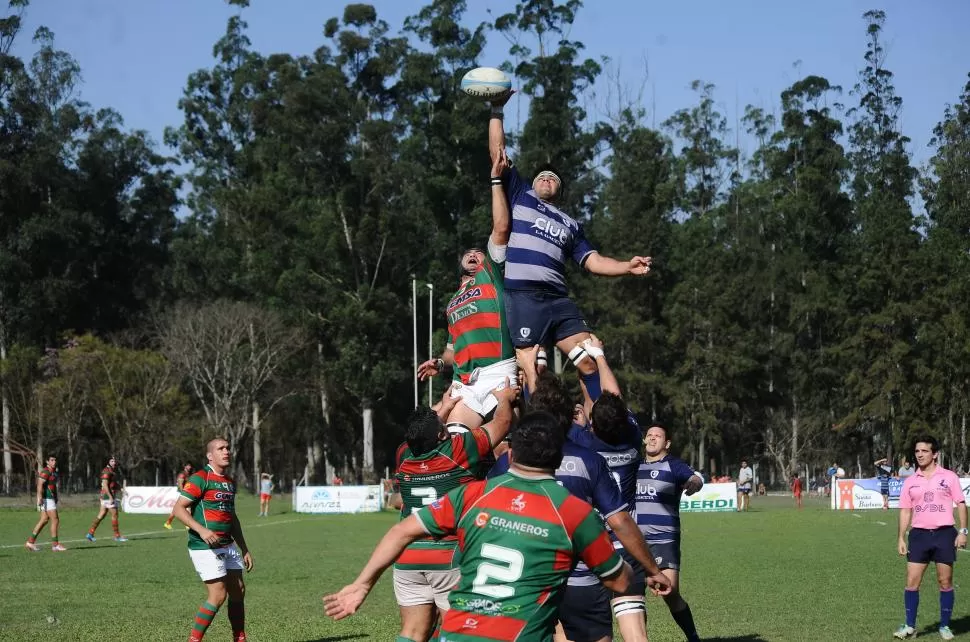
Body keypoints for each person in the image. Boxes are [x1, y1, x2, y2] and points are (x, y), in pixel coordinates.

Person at [324, 411, 646, 641]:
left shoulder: (472, 494)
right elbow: (619, 583)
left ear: (512, 452)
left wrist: (363, 584)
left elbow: (401, 530)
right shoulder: (575, 513)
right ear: (559, 458)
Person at [486, 92, 651, 404]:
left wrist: (626, 267)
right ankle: (538, 430)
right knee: (531, 367)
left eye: (553, 179)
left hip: (558, 300)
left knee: (589, 358)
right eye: (542, 176)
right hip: (523, 296)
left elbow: (594, 261)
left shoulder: (571, 223)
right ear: (533, 183)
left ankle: (599, 424)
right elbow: (498, 153)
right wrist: (496, 109)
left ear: (559, 190)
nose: (547, 179)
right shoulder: (520, 194)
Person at [487, 371, 672, 642]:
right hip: (580, 580)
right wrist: (653, 570)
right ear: (569, 416)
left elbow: (487, 514)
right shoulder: (589, 460)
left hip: (528, 578)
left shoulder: (510, 461)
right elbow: (619, 521)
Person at [392, 382, 517, 642]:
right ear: (440, 436)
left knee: (412, 633)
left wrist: (445, 406)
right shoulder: (459, 449)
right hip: (447, 555)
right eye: (442, 428)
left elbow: (420, 432)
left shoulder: (403, 454)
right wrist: (504, 398)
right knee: (456, 631)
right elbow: (502, 423)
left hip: (407, 557)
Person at [417, 154, 515, 433]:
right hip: (465, 382)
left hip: (498, 370)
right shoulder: (451, 303)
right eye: (468, 254)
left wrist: (496, 181)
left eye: (478, 253)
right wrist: (438, 362)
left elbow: (501, 227)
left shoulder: (491, 273)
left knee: (509, 442)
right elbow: (452, 352)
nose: (474, 255)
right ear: (459, 264)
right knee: (456, 444)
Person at [171, 438, 253, 642]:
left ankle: (239, 638)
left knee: (239, 590)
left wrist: (244, 548)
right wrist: (203, 531)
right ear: (210, 455)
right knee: (218, 595)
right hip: (204, 546)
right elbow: (178, 509)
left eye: (227, 448)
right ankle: (194, 640)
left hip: (227, 544)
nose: (226, 451)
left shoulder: (229, 482)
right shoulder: (201, 478)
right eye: (221, 449)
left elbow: (232, 518)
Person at [894, 436, 968, 641]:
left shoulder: (949, 477)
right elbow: (905, 511)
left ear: (934, 454)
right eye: (917, 451)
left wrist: (963, 531)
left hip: (945, 534)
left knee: (945, 582)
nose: (919, 455)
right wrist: (901, 537)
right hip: (918, 536)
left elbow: (961, 504)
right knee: (911, 582)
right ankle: (910, 625)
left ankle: (944, 626)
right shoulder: (910, 481)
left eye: (924, 451)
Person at [638, 423, 704, 642]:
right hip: (635, 541)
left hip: (664, 539)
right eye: (649, 435)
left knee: (670, 592)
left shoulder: (673, 465)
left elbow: (694, 477)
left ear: (667, 443)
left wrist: (695, 482)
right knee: (634, 597)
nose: (652, 438)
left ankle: (693, 637)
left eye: (658, 436)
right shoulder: (634, 466)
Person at [25, 455, 66, 552]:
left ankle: (30, 542)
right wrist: (39, 498)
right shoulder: (45, 472)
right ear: (47, 462)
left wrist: (56, 497)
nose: (54, 461)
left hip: (50, 498)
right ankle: (55, 545)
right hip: (46, 499)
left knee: (44, 520)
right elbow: (39, 485)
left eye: (55, 460)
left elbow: (53, 486)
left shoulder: (54, 472)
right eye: (51, 460)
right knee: (55, 520)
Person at [85, 456, 128, 543]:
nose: (114, 463)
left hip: (106, 496)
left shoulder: (112, 471)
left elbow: (113, 483)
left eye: (115, 461)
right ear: (108, 462)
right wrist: (111, 497)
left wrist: (121, 489)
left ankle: (90, 533)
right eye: (112, 461)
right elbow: (105, 485)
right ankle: (117, 536)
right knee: (114, 514)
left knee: (101, 515)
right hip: (107, 496)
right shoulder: (106, 471)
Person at [165, 464, 194, 529]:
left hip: (186, 493)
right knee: (187, 508)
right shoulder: (182, 474)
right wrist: (183, 493)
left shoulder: (190, 474)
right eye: (188, 466)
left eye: (190, 466)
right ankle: (187, 524)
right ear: (185, 467)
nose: (190, 467)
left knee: (179, 509)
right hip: (181, 493)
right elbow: (180, 484)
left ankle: (168, 523)